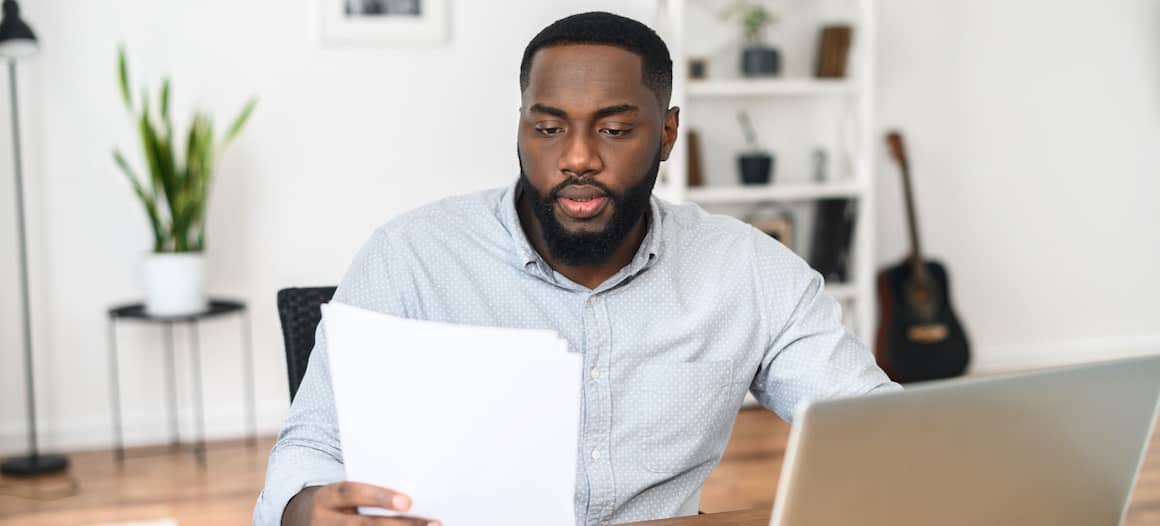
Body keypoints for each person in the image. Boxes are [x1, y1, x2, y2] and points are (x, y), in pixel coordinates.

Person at [255, 11, 899, 526]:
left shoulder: (750, 270)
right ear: (521, 127)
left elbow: (877, 430)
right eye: (549, 128)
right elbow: (313, 440)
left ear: (667, 133)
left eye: (615, 130)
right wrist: (305, 508)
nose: (579, 158)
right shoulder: (412, 256)